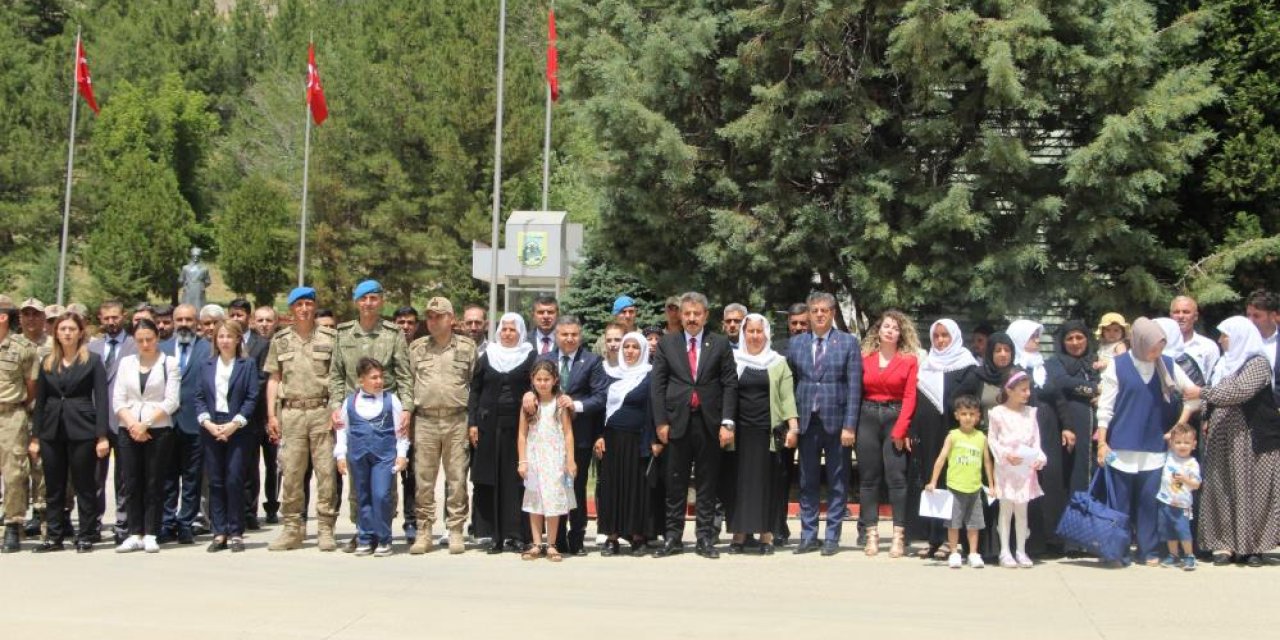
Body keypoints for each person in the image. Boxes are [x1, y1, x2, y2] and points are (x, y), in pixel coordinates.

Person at [1095, 317, 1199, 567]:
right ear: (1140, 343)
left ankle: (1148, 550)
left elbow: (1193, 394)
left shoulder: (1167, 364)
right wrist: (1102, 442)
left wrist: (1177, 426)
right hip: (1120, 447)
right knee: (1119, 504)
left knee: (1148, 503)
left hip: (1154, 448)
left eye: (1161, 346)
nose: (1157, 352)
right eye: (1153, 347)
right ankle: (1116, 552)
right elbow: (1105, 407)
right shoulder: (1117, 365)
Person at [651, 292, 738, 559]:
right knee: (675, 483)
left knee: (707, 483)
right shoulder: (668, 343)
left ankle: (704, 539)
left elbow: (730, 384)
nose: (691, 318)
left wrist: (727, 423)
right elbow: (658, 385)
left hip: (709, 423)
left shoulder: (720, 344)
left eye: (696, 314)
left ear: (705, 316)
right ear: (680, 315)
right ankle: (673, 537)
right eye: (687, 313)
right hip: (676, 423)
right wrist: (661, 422)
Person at [329, 280, 414, 552]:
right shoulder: (343, 334)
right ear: (357, 302)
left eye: (374, 298)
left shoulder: (393, 333)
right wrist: (335, 407)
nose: (368, 303)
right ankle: (362, 530)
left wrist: (407, 409)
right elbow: (336, 375)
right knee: (359, 484)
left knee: (383, 485)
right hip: (353, 412)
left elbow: (403, 374)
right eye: (363, 299)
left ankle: (382, 532)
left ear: (381, 302)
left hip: (385, 412)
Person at [1199, 316, 1280, 567]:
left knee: (1253, 491)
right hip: (1223, 439)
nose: (1221, 340)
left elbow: (1238, 392)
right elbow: (1213, 396)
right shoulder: (1224, 364)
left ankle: (1252, 546)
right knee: (1222, 489)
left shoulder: (1257, 364)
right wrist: (1206, 412)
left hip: (1251, 438)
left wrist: (1202, 392)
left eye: (1225, 335)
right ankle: (1224, 544)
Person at [266, 287, 341, 552]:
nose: (305, 309)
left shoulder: (331, 338)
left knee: (326, 473)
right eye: (299, 305)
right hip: (292, 412)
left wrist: (336, 410)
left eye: (309, 304)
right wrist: (271, 415)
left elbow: (337, 379)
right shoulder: (281, 340)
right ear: (291, 310)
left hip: (321, 410)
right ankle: (292, 529)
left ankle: (325, 528)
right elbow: (274, 378)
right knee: (292, 473)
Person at [787, 292, 860, 556]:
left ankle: (832, 538)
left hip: (837, 422)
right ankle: (808, 536)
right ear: (808, 314)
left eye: (824, 310)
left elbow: (854, 387)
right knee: (807, 481)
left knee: (837, 481)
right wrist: (791, 422)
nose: (819, 314)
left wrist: (850, 425)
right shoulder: (796, 344)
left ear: (831, 313)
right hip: (807, 422)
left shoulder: (848, 343)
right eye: (815, 310)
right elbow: (790, 385)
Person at [31, 311, 111, 553]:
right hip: (51, 430)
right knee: (53, 486)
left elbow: (102, 400)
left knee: (84, 484)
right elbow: (40, 402)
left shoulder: (93, 360)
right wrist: (35, 437)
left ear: (80, 333)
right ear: (55, 332)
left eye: (71, 329)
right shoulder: (47, 360)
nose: (67, 333)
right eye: (62, 328)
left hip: (82, 428)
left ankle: (85, 534)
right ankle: (54, 536)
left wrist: (102, 435)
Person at [528, 315, 607, 555]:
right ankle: (556, 540)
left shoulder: (592, 361)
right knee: (551, 489)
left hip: (579, 437)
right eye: (564, 334)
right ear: (556, 336)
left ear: (580, 335)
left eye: (574, 334)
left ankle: (577, 538)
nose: (569, 338)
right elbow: (533, 386)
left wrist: (576, 405)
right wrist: (528, 395)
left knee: (575, 488)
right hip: (546, 440)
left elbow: (600, 396)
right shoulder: (545, 359)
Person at [407, 297, 477, 555]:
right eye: (430, 316)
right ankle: (424, 531)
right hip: (425, 420)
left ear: (451, 318)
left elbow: (474, 384)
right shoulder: (417, 348)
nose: (433, 320)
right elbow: (408, 384)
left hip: (456, 419)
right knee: (424, 479)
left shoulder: (467, 348)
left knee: (457, 478)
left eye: (438, 315)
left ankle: (456, 529)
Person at [726, 314, 797, 556]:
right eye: (750, 331)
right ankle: (739, 535)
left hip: (768, 432)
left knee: (766, 484)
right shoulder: (732, 360)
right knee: (738, 483)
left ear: (766, 333)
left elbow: (787, 398)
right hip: (739, 433)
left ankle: (766, 534)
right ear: (743, 334)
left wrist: (793, 428)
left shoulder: (778, 362)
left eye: (759, 331)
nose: (755, 336)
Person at [909, 319, 980, 559]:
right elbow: (919, 402)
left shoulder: (968, 365)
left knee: (956, 484)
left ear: (955, 337)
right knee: (933, 481)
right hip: (929, 434)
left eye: (945, 336)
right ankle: (934, 538)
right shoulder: (927, 364)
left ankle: (955, 542)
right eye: (936, 336)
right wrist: (913, 430)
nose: (940, 340)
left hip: (957, 434)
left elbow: (964, 401)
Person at [469, 312, 537, 553]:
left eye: (513, 330)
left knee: (517, 481)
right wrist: (472, 423)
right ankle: (494, 536)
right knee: (492, 480)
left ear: (520, 332)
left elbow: (537, 385)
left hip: (520, 428)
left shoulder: (530, 355)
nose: (508, 334)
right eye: (504, 329)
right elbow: (475, 390)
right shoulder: (488, 356)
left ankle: (518, 535)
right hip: (490, 427)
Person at [112, 319, 181, 554]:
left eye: (149, 339)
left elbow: (172, 400)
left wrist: (146, 424)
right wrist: (133, 424)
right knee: (131, 482)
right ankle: (133, 533)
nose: (145, 344)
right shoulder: (126, 363)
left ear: (157, 338)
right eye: (140, 340)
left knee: (154, 482)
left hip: (158, 428)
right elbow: (118, 399)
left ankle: (151, 532)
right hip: (128, 428)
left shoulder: (168, 363)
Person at [194, 320, 260, 553]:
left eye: (229, 336)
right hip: (212, 427)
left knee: (234, 480)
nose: (224, 340)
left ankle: (236, 532)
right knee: (215, 481)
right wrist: (208, 423)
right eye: (220, 336)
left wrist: (235, 424)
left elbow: (252, 397)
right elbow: (200, 397)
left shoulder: (247, 364)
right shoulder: (206, 364)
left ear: (237, 339)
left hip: (238, 428)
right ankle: (219, 531)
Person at [858, 309, 920, 558]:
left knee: (896, 477)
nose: (890, 331)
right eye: (886, 326)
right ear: (879, 330)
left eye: (895, 327)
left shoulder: (909, 360)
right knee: (868, 478)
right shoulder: (865, 357)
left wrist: (901, 427)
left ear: (901, 332)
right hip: (868, 416)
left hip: (895, 417)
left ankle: (899, 535)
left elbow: (910, 396)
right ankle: (871, 534)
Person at [334, 358, 409, 557]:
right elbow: (342, 430)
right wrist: (340, 455)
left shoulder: (391, 400)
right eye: (373, 378)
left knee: (381, 495)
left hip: (383, 456)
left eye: (381, 377)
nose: (378, 381)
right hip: (358, 455)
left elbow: (401, 431)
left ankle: (384, 538)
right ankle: (365, 537)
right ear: (361, 380)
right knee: (362, 496)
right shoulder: (349, 402)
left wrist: (401, 454)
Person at [1006, 318, 1067, 555]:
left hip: (1048, 431)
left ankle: (1051, 537)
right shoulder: (1013, 367)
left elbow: (1059, 398)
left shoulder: (1045, 367)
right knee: (1023, 484)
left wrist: (1068, 427)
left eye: (1038, 336)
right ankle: (1026, 542)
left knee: (1049, 482)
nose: (1037, 341)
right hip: (1020, 433)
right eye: (1032, 337)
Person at [596, 332, 658, 556]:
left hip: (638, 439)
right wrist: (599, 435)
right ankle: (612, 537)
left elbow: (653, 409)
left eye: (635, 347)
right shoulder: (611, 374)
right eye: (626, 347)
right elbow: (601, 408)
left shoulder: (650, 375)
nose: (630, 351)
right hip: (611, 439)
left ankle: (637, 537)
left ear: (642, 351)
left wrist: (654, 439)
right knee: (612, 487)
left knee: (636, 489)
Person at [1042, 319, 1099, 555]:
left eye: (1080, 337)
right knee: (1070, 480)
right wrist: (1093, 389)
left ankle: (1087, 537)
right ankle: (1069, 539)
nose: (1075, 343)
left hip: (1096, 431)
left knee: (1089, 480)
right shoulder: (1055, 362)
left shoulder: (1095, 362)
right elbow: (1061, 382)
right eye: (1069, 339)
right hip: (1067, 429)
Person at [159, 304, 209, 545]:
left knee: (192, 478)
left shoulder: (208, 349)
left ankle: (186, 523)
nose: (184, 324)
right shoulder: (161, 348)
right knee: (167, 477)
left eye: (189, 319)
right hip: (166, 423)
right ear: (173, 321)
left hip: (195, 422)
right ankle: (166, 522)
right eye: (179, 319)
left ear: (197, 322)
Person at [924, 395, 994, 569]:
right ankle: (954, 552)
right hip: (955, 487)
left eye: (971, 414)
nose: (968, 417)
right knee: (953, 523)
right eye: (964, 413)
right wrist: (932, 481)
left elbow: (987, 462)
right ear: (956, 415)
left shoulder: (981, 438)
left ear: (978, 416)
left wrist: (992, 485)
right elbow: (941, 459)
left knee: (974, 524)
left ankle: (973, 553)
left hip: (975, 488)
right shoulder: (952, 436)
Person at [87, 299, 135, 543]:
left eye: (115, 317)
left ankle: (123, 523)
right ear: (100, 318)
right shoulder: (92, 347)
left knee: (124, 476)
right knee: (94, 476)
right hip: (96, 420)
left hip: (124, 419)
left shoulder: (135, 345)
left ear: (123, 316)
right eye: (106, 318)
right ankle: (93, 522)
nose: (111, 322)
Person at [518, 360, 577, 561]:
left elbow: (568, 433)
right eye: (539, 379)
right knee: (535, 500)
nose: (542, 383)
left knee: (553, 499)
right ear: (532, 380)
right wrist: (522, 461)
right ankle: (536, 543)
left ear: (555, 380)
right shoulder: (528, 404)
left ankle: (551, 544)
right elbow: (522, 435)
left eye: (546, 379)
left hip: (555, 458)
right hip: (534, 457)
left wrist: (571, 460)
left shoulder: (559, 403)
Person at [987, 369, 1045, 568]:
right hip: (1006, 467)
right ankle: (1004, 550)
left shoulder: (1030, 413)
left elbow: (1036, 442)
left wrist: (1039, 458)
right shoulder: (997, 413)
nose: (1027, 393)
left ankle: (1021, 549)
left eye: (1028, 389)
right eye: (1023, 390)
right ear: (1009, 390)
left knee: (1022, 510)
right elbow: (992, 439)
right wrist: (1004, 454)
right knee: (1006, 509)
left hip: (1025, 468)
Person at [228, 298, 272, 531]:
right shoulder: (224, 342)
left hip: (251, 413)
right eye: (233, 315)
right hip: (225, 414)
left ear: (249, 318)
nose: (236, 319)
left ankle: (248, 512)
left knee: (250, 466)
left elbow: (263, 377)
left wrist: (243, 399)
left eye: (241, 316)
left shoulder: (262, 344)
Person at [0, 299, 38, 552]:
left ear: (3, 317)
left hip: (11, 414)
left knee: (14, 472)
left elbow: (31, 386)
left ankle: (13, 525)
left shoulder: (23, 348)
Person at [18, 298, 49, 539]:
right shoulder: (11, 345)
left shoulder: (52, 345)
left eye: (35, 314)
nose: (30, 319)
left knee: (40, 465)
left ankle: (40, 513)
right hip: (17, 413)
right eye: (26, 314)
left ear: (43, 319)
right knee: (17, 467)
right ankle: (16, 514)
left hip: (43, 413)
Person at [392, 304, 422, 545]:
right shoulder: (387, 346)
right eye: (401, 322)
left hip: (415, 421)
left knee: (412, 476)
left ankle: (411, 520)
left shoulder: (421, 349)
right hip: (388, 421)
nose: (405, 327)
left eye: (410, 322)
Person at [1157, 422, 1201, 571]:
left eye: (1187, 443)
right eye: (1178, 442)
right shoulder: (1169, 456)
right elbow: (1166, 437)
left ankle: (1189, 555)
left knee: (1183, 531)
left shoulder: (1192, 463)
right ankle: (1173, 555)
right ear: (1172, 444)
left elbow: (1196, 484)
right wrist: (1171, 434)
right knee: (1169, 531)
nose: (1182, 446)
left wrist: (1185, 480)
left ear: (1194, 445)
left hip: (1183, 505)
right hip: (1165, 501)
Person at [1170, 296, 1220, 387]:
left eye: (1186, 312)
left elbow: (1212, 382)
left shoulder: (1208, 347)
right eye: (1176, 312)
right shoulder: (1161, 345)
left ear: (1195, 316)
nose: (1180, 316)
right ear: (1171, 316)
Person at [1244, 289, 1280, 404]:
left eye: (1256, 316)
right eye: (1248, 315)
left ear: (1273, 316)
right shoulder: (1242, 343)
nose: (1250, 320)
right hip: (1249, 414)